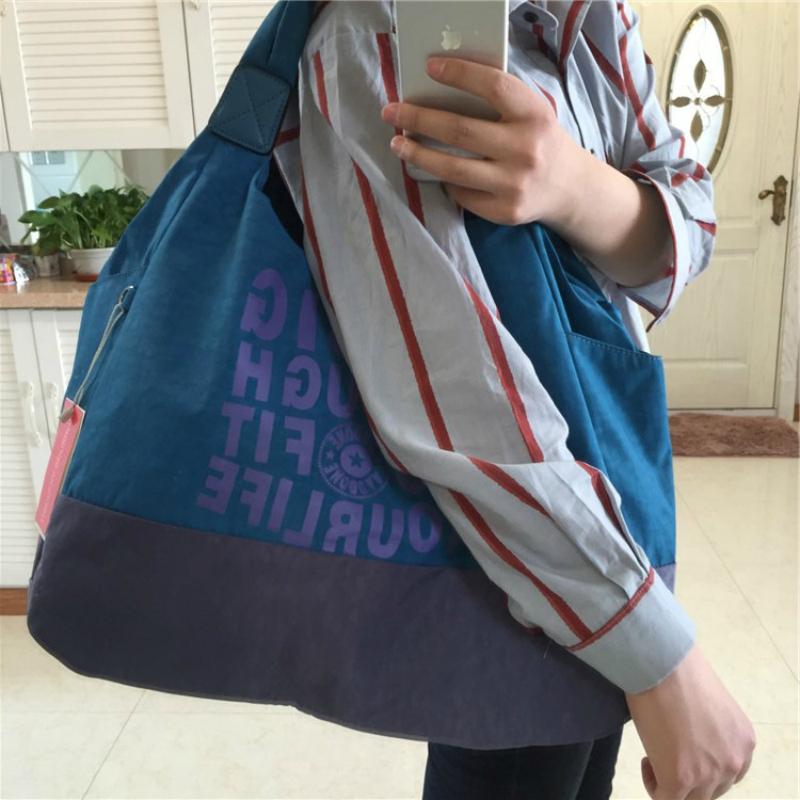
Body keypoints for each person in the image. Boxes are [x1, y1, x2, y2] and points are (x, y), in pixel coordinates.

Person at [271, 0, 756, 797]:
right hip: (522, 564)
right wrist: (662, 660)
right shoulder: (377, 26)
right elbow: (453, 400)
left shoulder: (591, 16)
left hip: (600, 531)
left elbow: (692, 213)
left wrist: (571, 185)